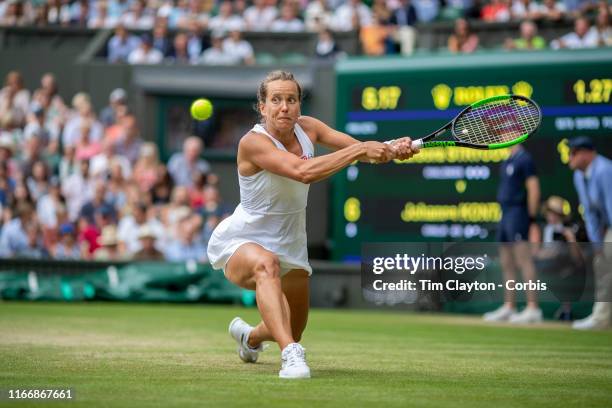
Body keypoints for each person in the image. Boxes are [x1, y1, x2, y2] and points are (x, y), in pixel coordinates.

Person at [206, 70, 417, 379]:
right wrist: (362, 150)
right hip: (244, 239)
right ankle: (291, 355)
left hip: (290, 240)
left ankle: (249, 338)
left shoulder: (310, 128)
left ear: (299, 105)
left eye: (291, 99)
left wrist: (391, 149)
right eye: (275, 100)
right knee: (266, 264)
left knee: (294, 327)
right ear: (262, 107)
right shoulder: (253, 143)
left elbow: (358, 150)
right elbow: (305, 172)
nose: (284, 107)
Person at [484, 144, 542, 324]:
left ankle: (533, 308)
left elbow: (533, 189)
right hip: (505, 213)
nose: (502, 137)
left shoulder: (525, 159)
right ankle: (509, 307)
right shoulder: (508, 159)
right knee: (507, 262)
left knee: (524, 260)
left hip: (519, 213)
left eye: (507, 131)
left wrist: (532, 220)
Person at [567, 136, 612, 330]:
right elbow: (590, 214)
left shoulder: (605, 170)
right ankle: (601, 318)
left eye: (574, 153)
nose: (570, 157)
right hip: (605, 227)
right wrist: (597, 244)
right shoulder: (578, 176)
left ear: (587, 153)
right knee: (601, 264)